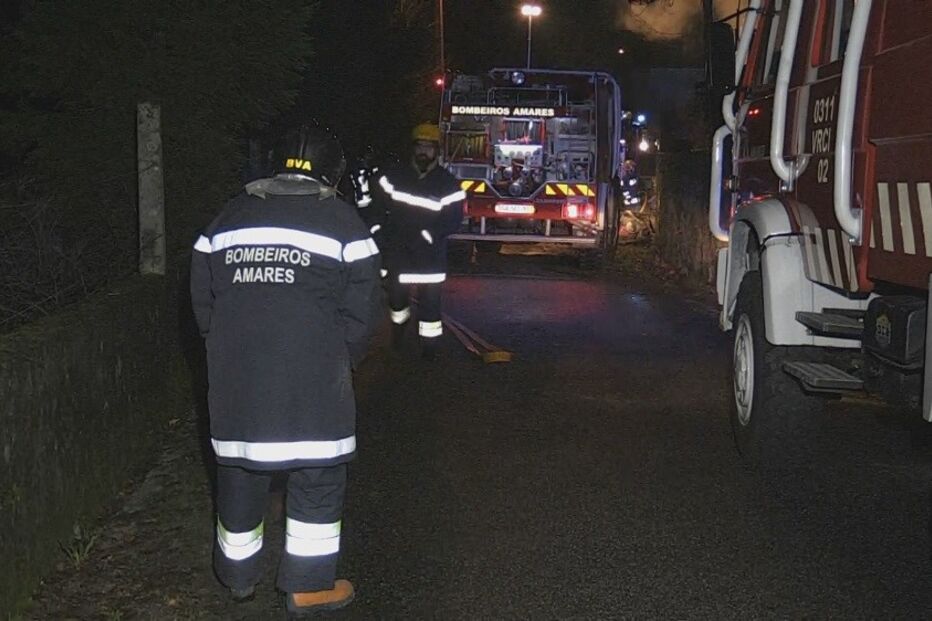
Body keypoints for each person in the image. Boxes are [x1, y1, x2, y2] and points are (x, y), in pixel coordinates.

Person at [190, 123, 381, 616]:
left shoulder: (225, 220)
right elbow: (362, 314)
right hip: (314, 389)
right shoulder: (343, 223)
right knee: (318, 482)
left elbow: (203, 303)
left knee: (238, 477)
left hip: (237, 389)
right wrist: (338, 363)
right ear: (330, 173)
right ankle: (309, 586)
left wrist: (229, 354)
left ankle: (237, 579)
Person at [371, 122, 465, 360]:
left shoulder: (448, 183)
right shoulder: (394, 177)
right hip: (398, 253)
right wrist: (382, 236)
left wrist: (429, 236)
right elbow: (378, 209)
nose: (424, 152)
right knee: (397, 302)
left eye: (428, 147)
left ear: (437, 150)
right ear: (412, 148)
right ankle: (399, 333)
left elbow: (453, 219)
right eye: (419, 146)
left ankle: (429, 350)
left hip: (429, 258)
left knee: (430, 308)